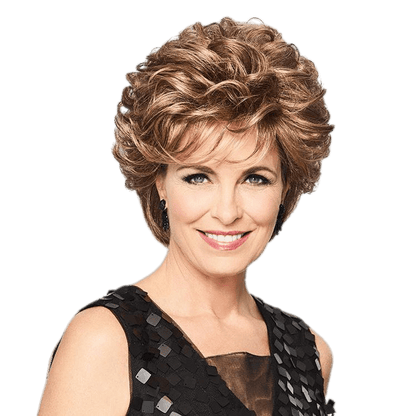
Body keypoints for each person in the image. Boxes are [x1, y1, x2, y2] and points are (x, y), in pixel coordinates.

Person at [37, 16, 337, 416]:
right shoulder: (105, 340)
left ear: (285, 188)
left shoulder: (309, 353)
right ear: (160, 181)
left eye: (255, 178)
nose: (227, 212)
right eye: (198, 177)